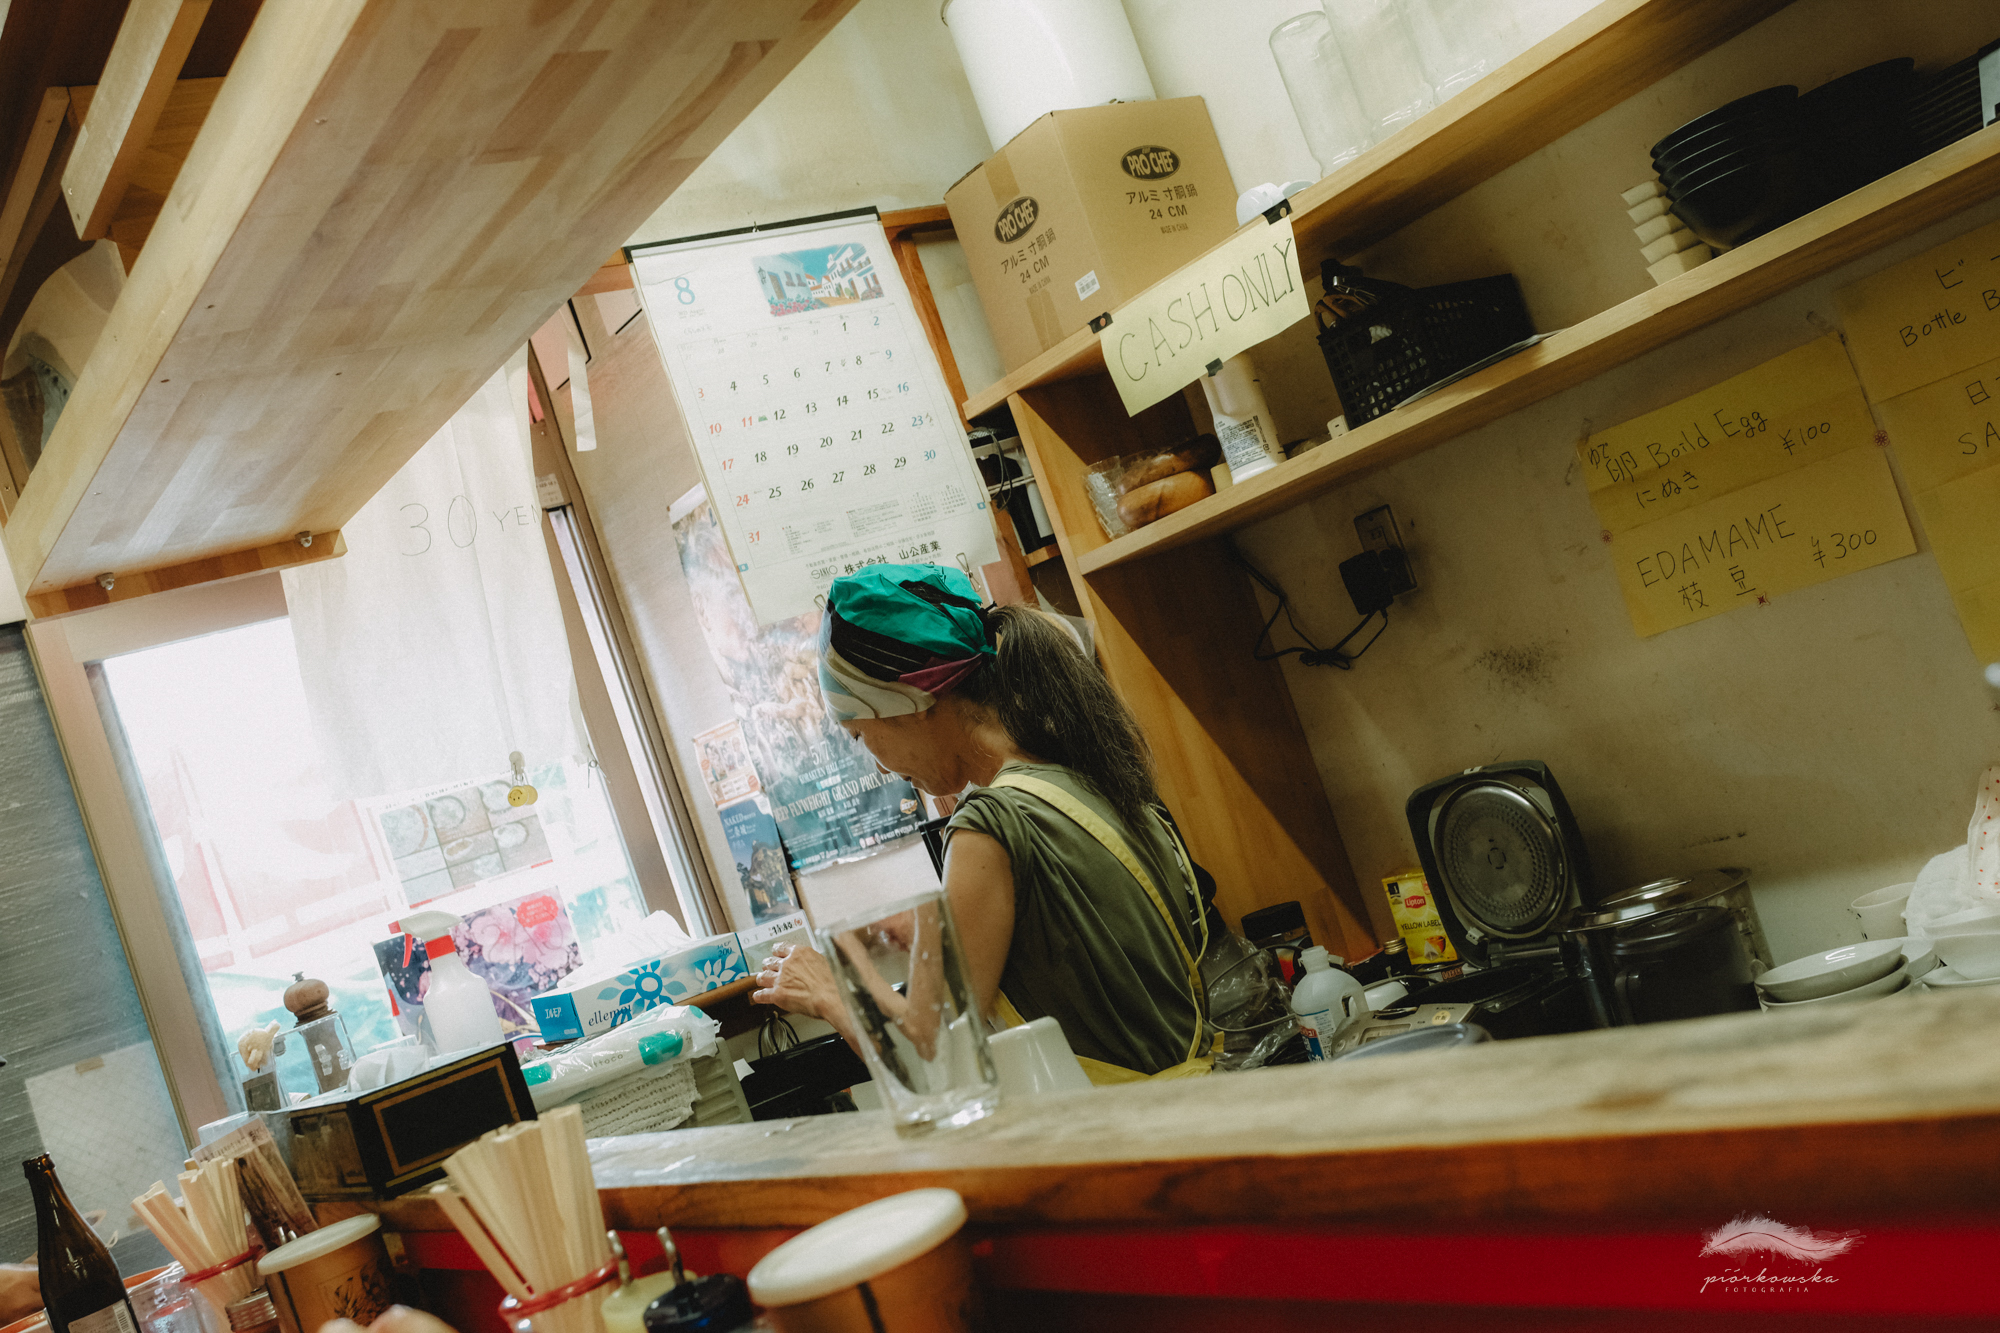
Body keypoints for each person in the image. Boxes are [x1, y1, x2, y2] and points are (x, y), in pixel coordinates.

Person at [750, 564, 1213, 1083]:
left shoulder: (989, 823)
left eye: (860, 735)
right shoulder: (1086, 776)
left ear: (908, 702)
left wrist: (830, 992)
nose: (879, 768)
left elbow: (937, 1060)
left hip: (1124, 1125)